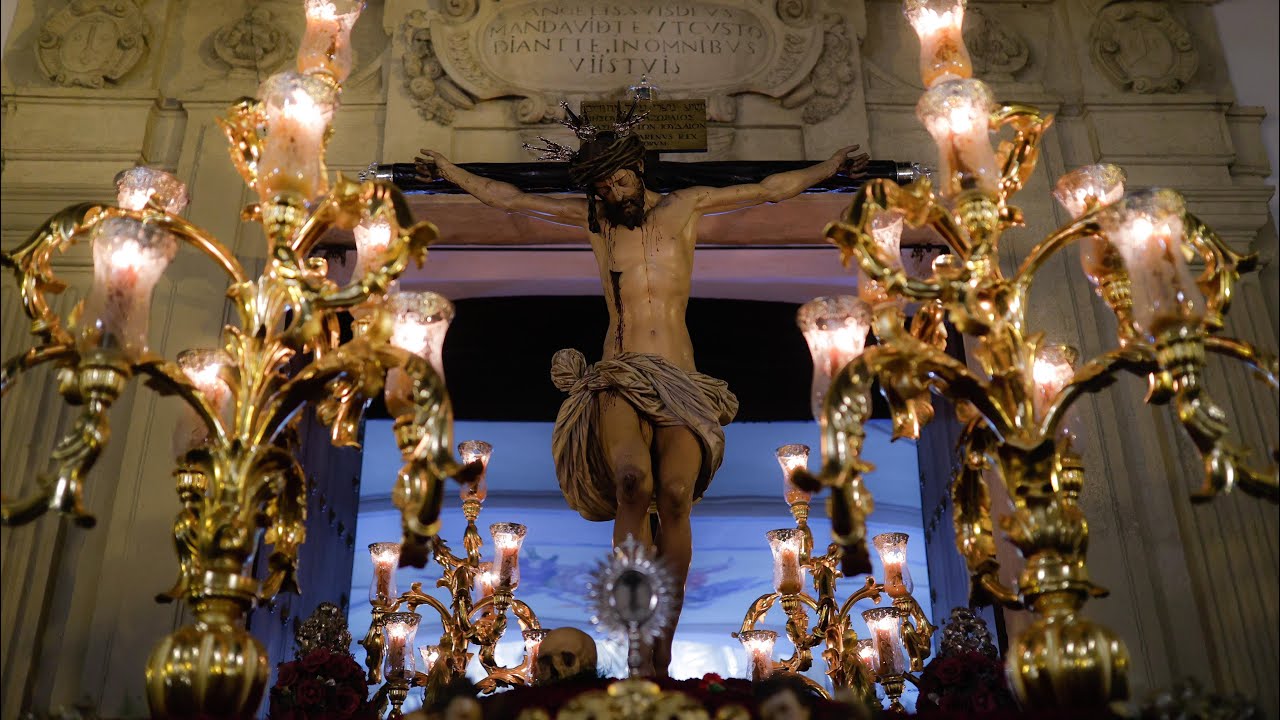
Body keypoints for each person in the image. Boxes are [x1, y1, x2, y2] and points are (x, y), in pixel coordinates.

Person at [416, 106, 869, 677]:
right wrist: (448, 170)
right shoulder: (596, 224)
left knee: (676, 495)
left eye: (619, 180)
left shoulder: (684, 207)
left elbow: (767, 190)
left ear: (638, 170)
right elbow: (510, 199)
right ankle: (635, 633)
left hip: (682, 380)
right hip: (621, 372)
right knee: (633, 481)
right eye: (603, 187)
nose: (613, 192)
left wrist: (831, 165)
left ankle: (663, 640)